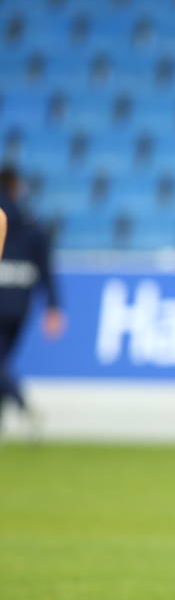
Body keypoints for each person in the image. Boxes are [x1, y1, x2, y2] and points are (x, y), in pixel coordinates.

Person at [0, 166, 65, 438]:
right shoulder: (31, 224)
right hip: (21, 304)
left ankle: (20, 404)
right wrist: (53, 306)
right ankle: (16, 407)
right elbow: (46, 270)